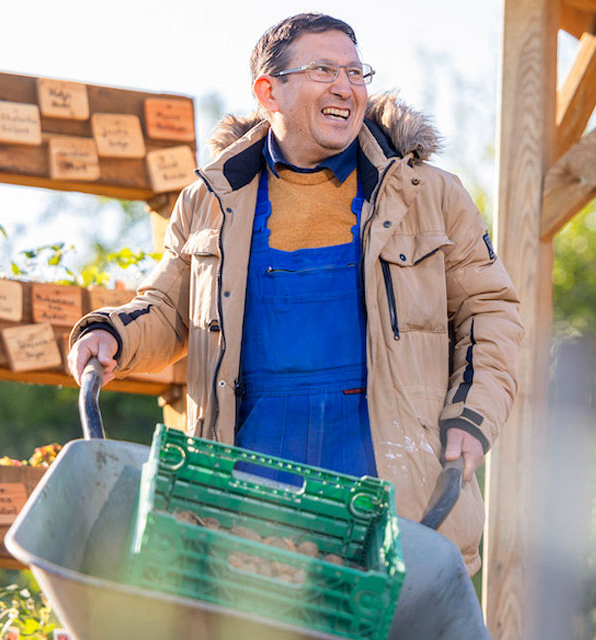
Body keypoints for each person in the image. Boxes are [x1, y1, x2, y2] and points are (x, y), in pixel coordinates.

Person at [68, 13, 523, 575]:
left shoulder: (428, 194)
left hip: (391, 490)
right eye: (324, 69)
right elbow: (167, 308)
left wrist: (473, 415)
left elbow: (490, 311)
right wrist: (111, 332)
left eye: (356, 72)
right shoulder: (211, 200)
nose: (346, 87)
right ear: (269, 91)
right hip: (248, 492)